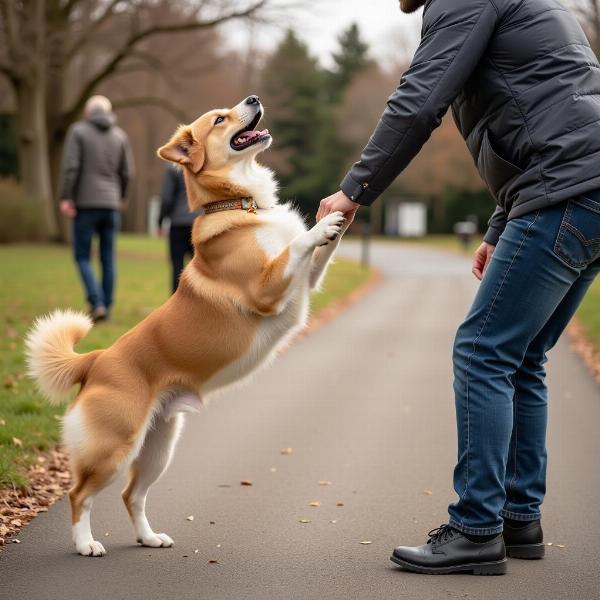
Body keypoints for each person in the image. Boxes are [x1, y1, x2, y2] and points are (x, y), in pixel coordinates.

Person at [318, 0, 600, 576]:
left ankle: (475, 528)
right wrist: (501, 224)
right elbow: (544, 111)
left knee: (482, 351)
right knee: (523, 356)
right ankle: (520, 519)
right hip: (582, 188)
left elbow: (419, 102)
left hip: (565, 189)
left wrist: (355, 190)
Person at [59, 95, 134, 322]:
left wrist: (66, 197)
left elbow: (71, 167)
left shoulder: (78, 131)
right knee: (108, 257)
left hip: (86, 204)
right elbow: (128, 172)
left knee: (82, 256)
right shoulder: (120, 135)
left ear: (87, 112)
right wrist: (122, 196)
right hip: (111, 204)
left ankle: (96, 302)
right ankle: (106, 308)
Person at [157, 164, 199, 293]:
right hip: (199, 223)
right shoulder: (203, 164)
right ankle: (200, 304)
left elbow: (166, 198)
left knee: (177, 267)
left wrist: (160, 221)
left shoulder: (173, 167)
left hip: (178, 224)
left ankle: (176, 305)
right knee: (199, 268)